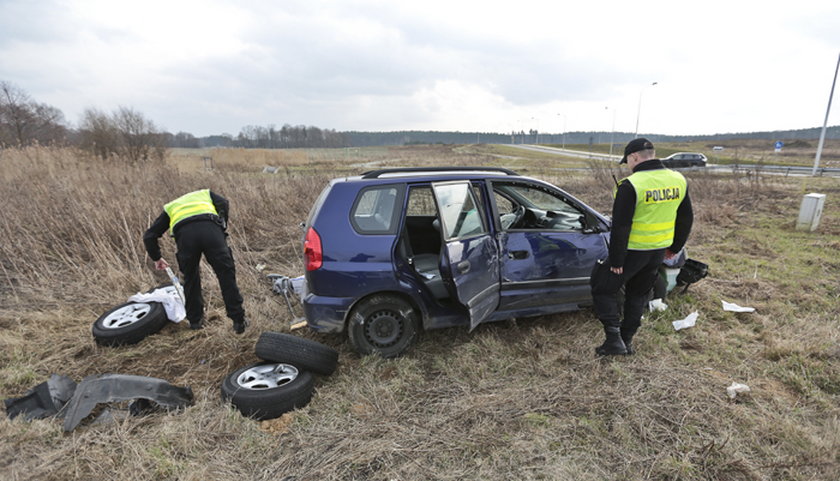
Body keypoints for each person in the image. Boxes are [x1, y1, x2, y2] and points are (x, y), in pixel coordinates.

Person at [591, 138, 693, 355]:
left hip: (632, 251)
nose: (628, 165)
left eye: (627, 161)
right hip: (658, 251)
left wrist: (617, 260)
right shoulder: (677, 180)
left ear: (634, 157)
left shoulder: (632, 185)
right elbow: (686, 217)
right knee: (638, 295)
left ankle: (613, 340)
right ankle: (627, 341)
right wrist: (675, 247)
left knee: (602, 286)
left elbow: (621, 226)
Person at [143, 189, 249, 334]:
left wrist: (157, 258)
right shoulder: (206, 194)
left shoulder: (171, 207)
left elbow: (149, 236)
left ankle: (195, 322)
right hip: (211, 231)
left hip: (186, 238)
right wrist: (222, 224)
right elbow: (224, 203)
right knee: (226, 277)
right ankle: (239, 321)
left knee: (191, 279)